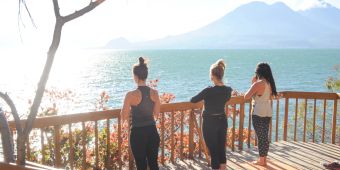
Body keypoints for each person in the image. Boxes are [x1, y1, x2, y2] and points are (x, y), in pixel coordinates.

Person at [190, 59, 232, 170]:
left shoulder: (208, 91)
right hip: (222, 120)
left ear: (212, 75)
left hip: (209, 123)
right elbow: (219, 101)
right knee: (221, 148)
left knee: (213, 151)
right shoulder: (228, 90)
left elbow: (193, 100)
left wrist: (205, 102)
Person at [120, 57, 161, 170]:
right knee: (153, 164)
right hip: (152, 132)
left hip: (137, 134)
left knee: (141, 166)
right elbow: (156, 114)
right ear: (146, 75)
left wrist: (123, 113)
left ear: (135, 77)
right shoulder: (155, 93)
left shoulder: (130, 95)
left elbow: (124, 116)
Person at [244, 62, 277, 167]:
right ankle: (264, 159)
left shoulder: (258, 83)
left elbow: (246, 96)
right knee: (264, 136)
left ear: (258, 72)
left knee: (261, 137)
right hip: (267, 111)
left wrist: (252, 83)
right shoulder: (269, 83)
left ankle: (262, 161)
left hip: (258, 112)